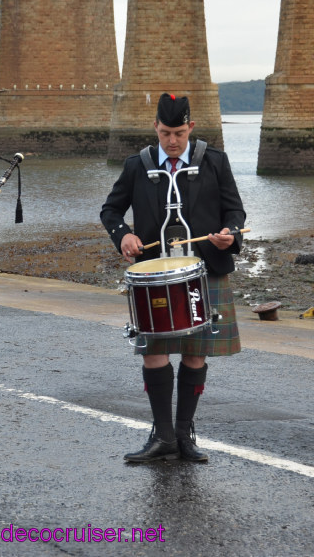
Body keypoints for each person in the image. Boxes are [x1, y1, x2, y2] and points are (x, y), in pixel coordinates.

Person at [101, 93, 247, 463]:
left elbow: (235, 210)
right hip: (155, 276)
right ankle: (162, 436)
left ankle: (185, 434)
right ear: (156, 128)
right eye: (165, 132)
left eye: (179, 133)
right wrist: (124, 236)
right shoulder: (139, 165)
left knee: (195, 356)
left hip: (204, 272)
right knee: (154, 355)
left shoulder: (213, 161)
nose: (172, 141)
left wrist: (230, 233)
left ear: (191, 128)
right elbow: (111, 209)